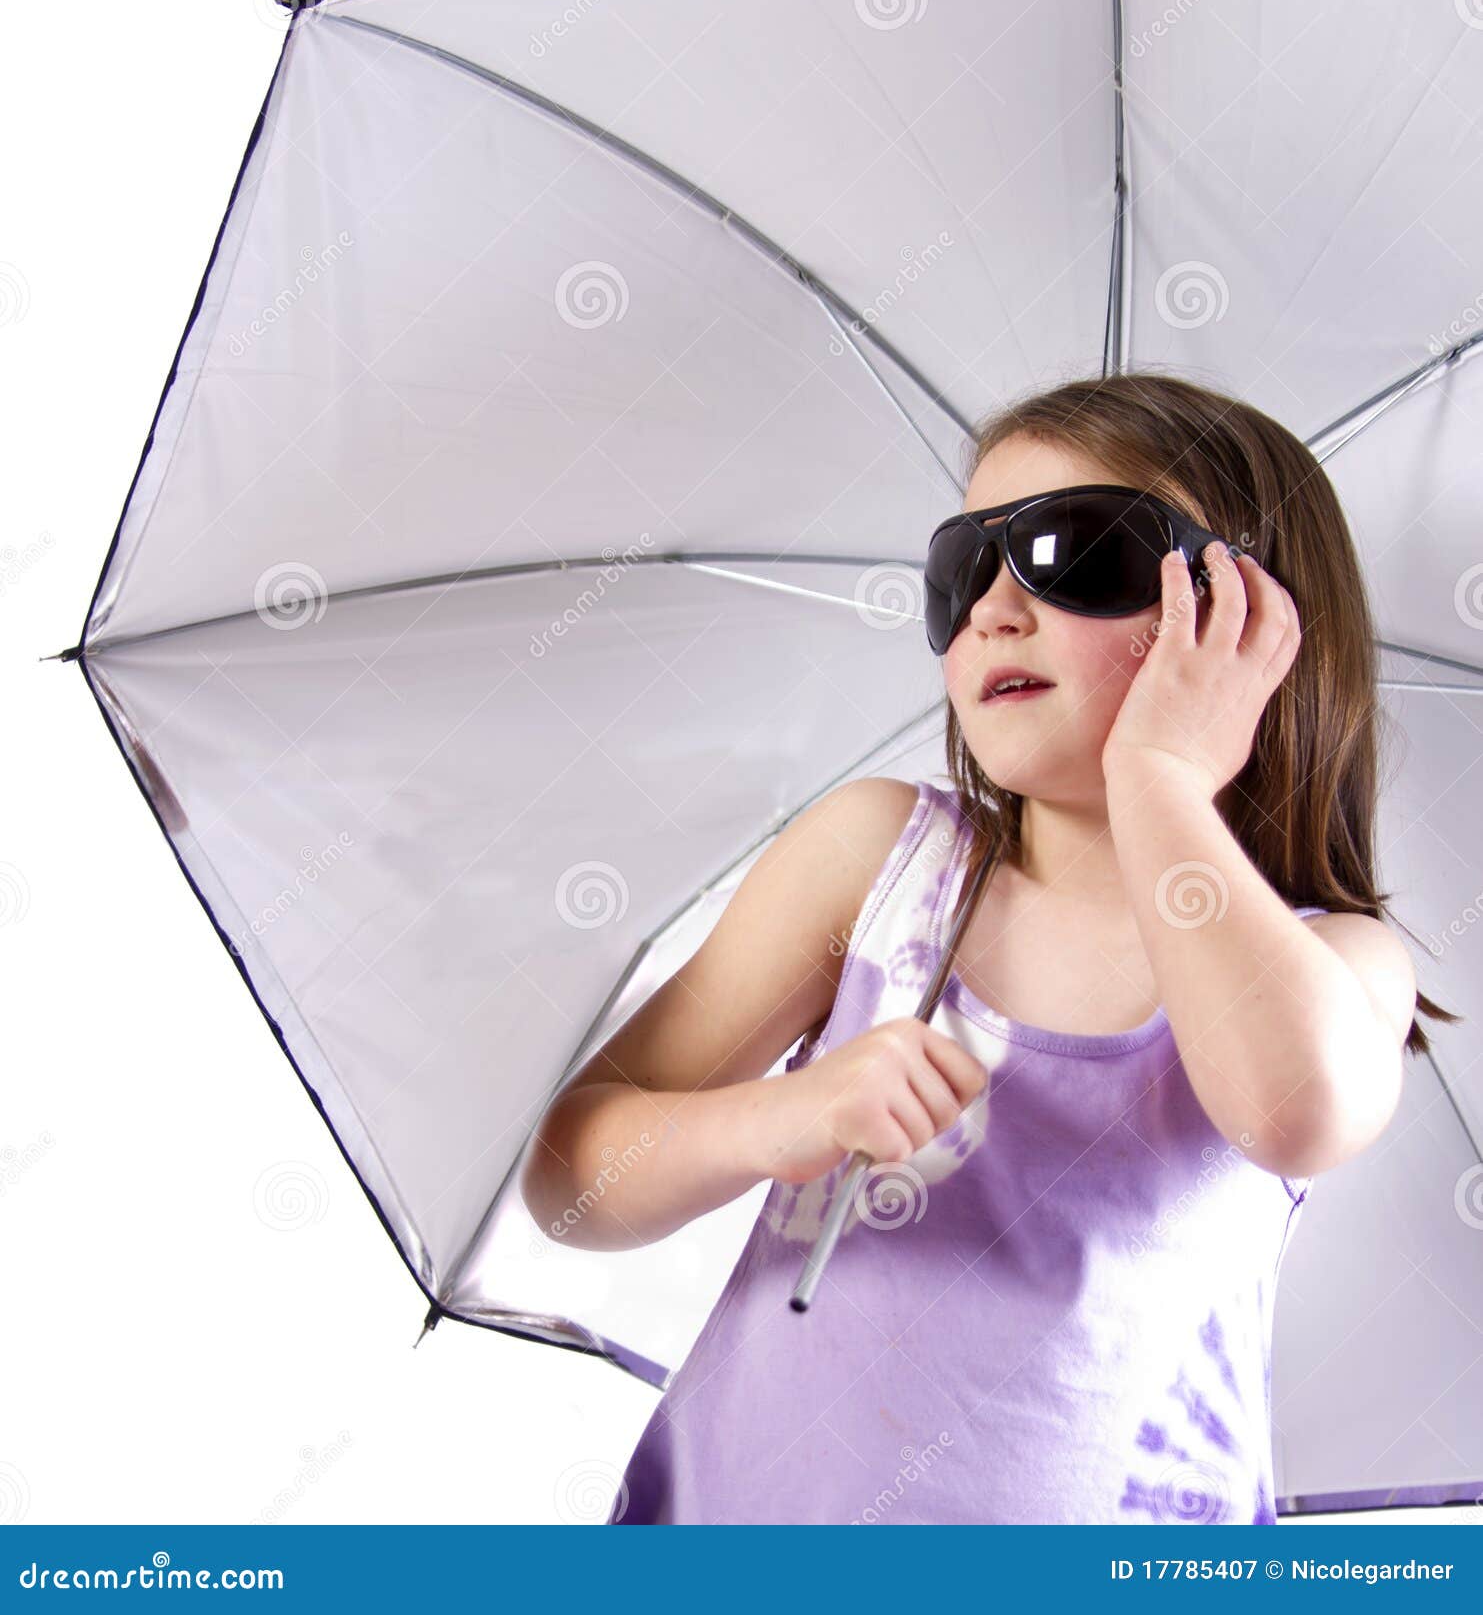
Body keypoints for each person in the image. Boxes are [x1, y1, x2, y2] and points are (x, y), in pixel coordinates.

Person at [521, 371, 1458, 1524]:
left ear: (1253, 623)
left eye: (1078, 554)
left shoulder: (1338, 962)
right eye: (962, 569)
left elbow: (1293, 1111)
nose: (994, 610)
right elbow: (571, 1181)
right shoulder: (880, 864)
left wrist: (1159, 778)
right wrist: (782, 1116)